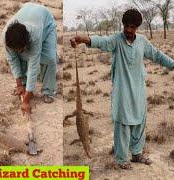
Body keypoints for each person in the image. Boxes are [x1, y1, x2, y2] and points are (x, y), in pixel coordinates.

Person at [70, 9, 174, 170]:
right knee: (123, 124)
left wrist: (172, 64)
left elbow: (157, 55)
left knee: (140, 120)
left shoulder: (142, 42)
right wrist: (84, 39)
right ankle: (121, 159)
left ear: (137, 27)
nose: (128, 30)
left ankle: (137, 154)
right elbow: (102, 41)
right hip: (122, 90)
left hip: (139, 88)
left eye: (132, 27)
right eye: (126, 26)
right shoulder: (117, 40)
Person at [2, 2, 58, 114]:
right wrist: (19, 85)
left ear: (27, 41)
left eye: (21, 48)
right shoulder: (5, 36)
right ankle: (23, 84)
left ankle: (48, 91)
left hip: (46, 23)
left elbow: (33, 63)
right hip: (28, 11)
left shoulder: (35, 34)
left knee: (50, 59)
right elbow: (12, 59)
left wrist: (26, 100)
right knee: (21, 55)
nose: (18, 51)